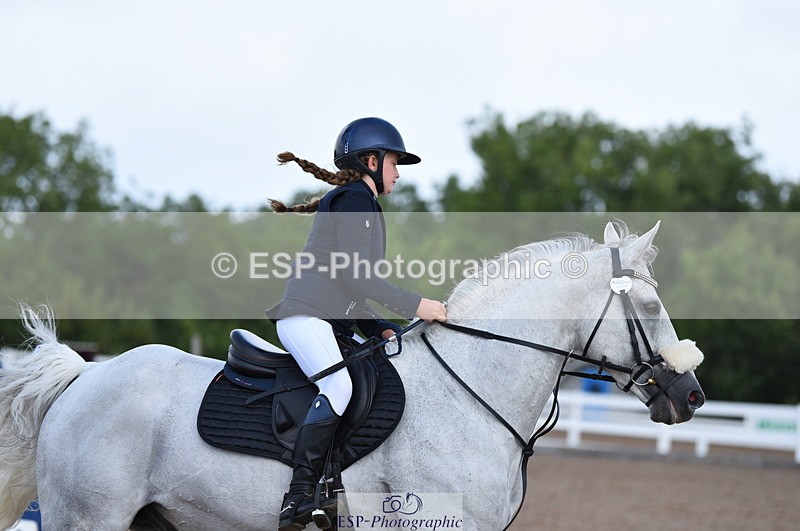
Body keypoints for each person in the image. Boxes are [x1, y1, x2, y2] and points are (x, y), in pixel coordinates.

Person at [266, 117, 447, 530]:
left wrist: (381, 327)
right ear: (371, 160)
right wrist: (419, 305)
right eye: (394, 163)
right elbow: (357, 277)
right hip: (305, 317)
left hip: (323, 317)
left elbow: (348, 291)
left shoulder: (356, 200)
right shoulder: (354, 200)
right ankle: (298, 496)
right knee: (339, 385)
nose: (398, 173)